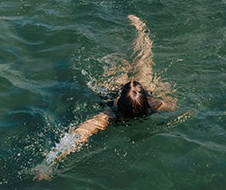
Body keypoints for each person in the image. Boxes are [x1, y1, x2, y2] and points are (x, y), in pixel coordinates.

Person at [35, 15, 176, 179]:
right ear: (145, 98)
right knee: (143, 60)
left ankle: (127, 34)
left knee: (123, 64)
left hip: (116, 92)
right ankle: (140, 30)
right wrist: (164, 90)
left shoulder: (109, 115)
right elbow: (173, 105)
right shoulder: (156, 104)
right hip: (144, 92)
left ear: (118, 102)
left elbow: (76, 138)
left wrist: (46, 164)